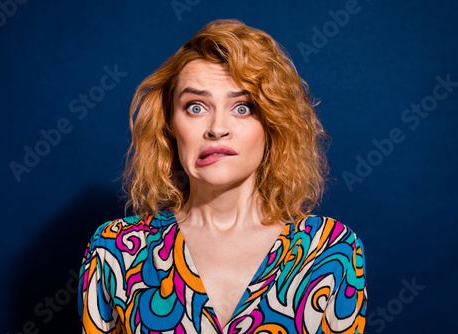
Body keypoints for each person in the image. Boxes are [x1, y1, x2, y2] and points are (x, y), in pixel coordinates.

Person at [78, 19, 367, 334]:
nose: (217, 128)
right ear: (169, 124)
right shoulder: (117, 251)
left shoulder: (331, 251)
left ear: (272, 123)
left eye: (242, 108)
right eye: (196, 107)